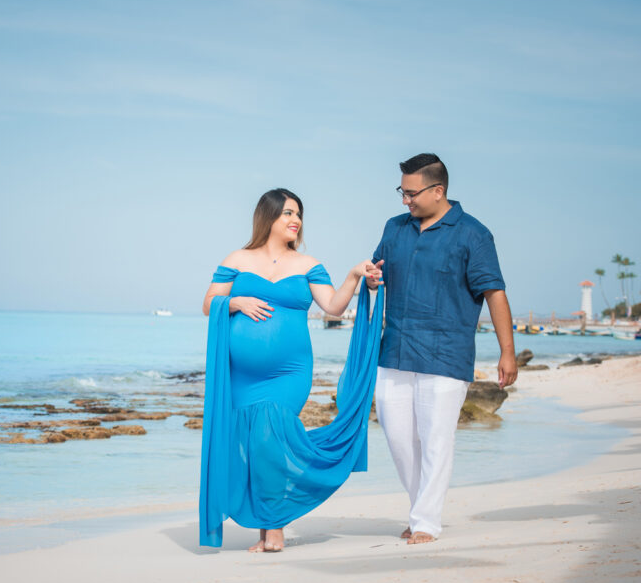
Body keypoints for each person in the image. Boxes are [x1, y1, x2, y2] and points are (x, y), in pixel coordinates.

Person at [199, 188, 384, 552]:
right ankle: (267, 528)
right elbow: (208, 304)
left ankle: (276, 528)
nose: (295, 220)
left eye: (298, 213)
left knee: (269, 433)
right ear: (267, 217)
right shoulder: (238, 259)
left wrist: (352, 276)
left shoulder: (307, 264)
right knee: (254, 444)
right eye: (286, 213)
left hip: (289, 372)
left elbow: (332, 306)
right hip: (242, 376)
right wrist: (235, 301)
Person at [365, 154, 517, 545]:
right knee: (399, 440)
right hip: (394, 351)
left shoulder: (473, 234)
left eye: (411, 193)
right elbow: (376, 275)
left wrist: (507, 352)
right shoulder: (394, 228)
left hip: (446, 355)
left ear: (438, 191)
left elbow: (494, 293)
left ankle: (426, 523)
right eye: (402, 191)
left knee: (436, 440)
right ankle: (420, 511)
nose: (405, 200)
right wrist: (369, 281)